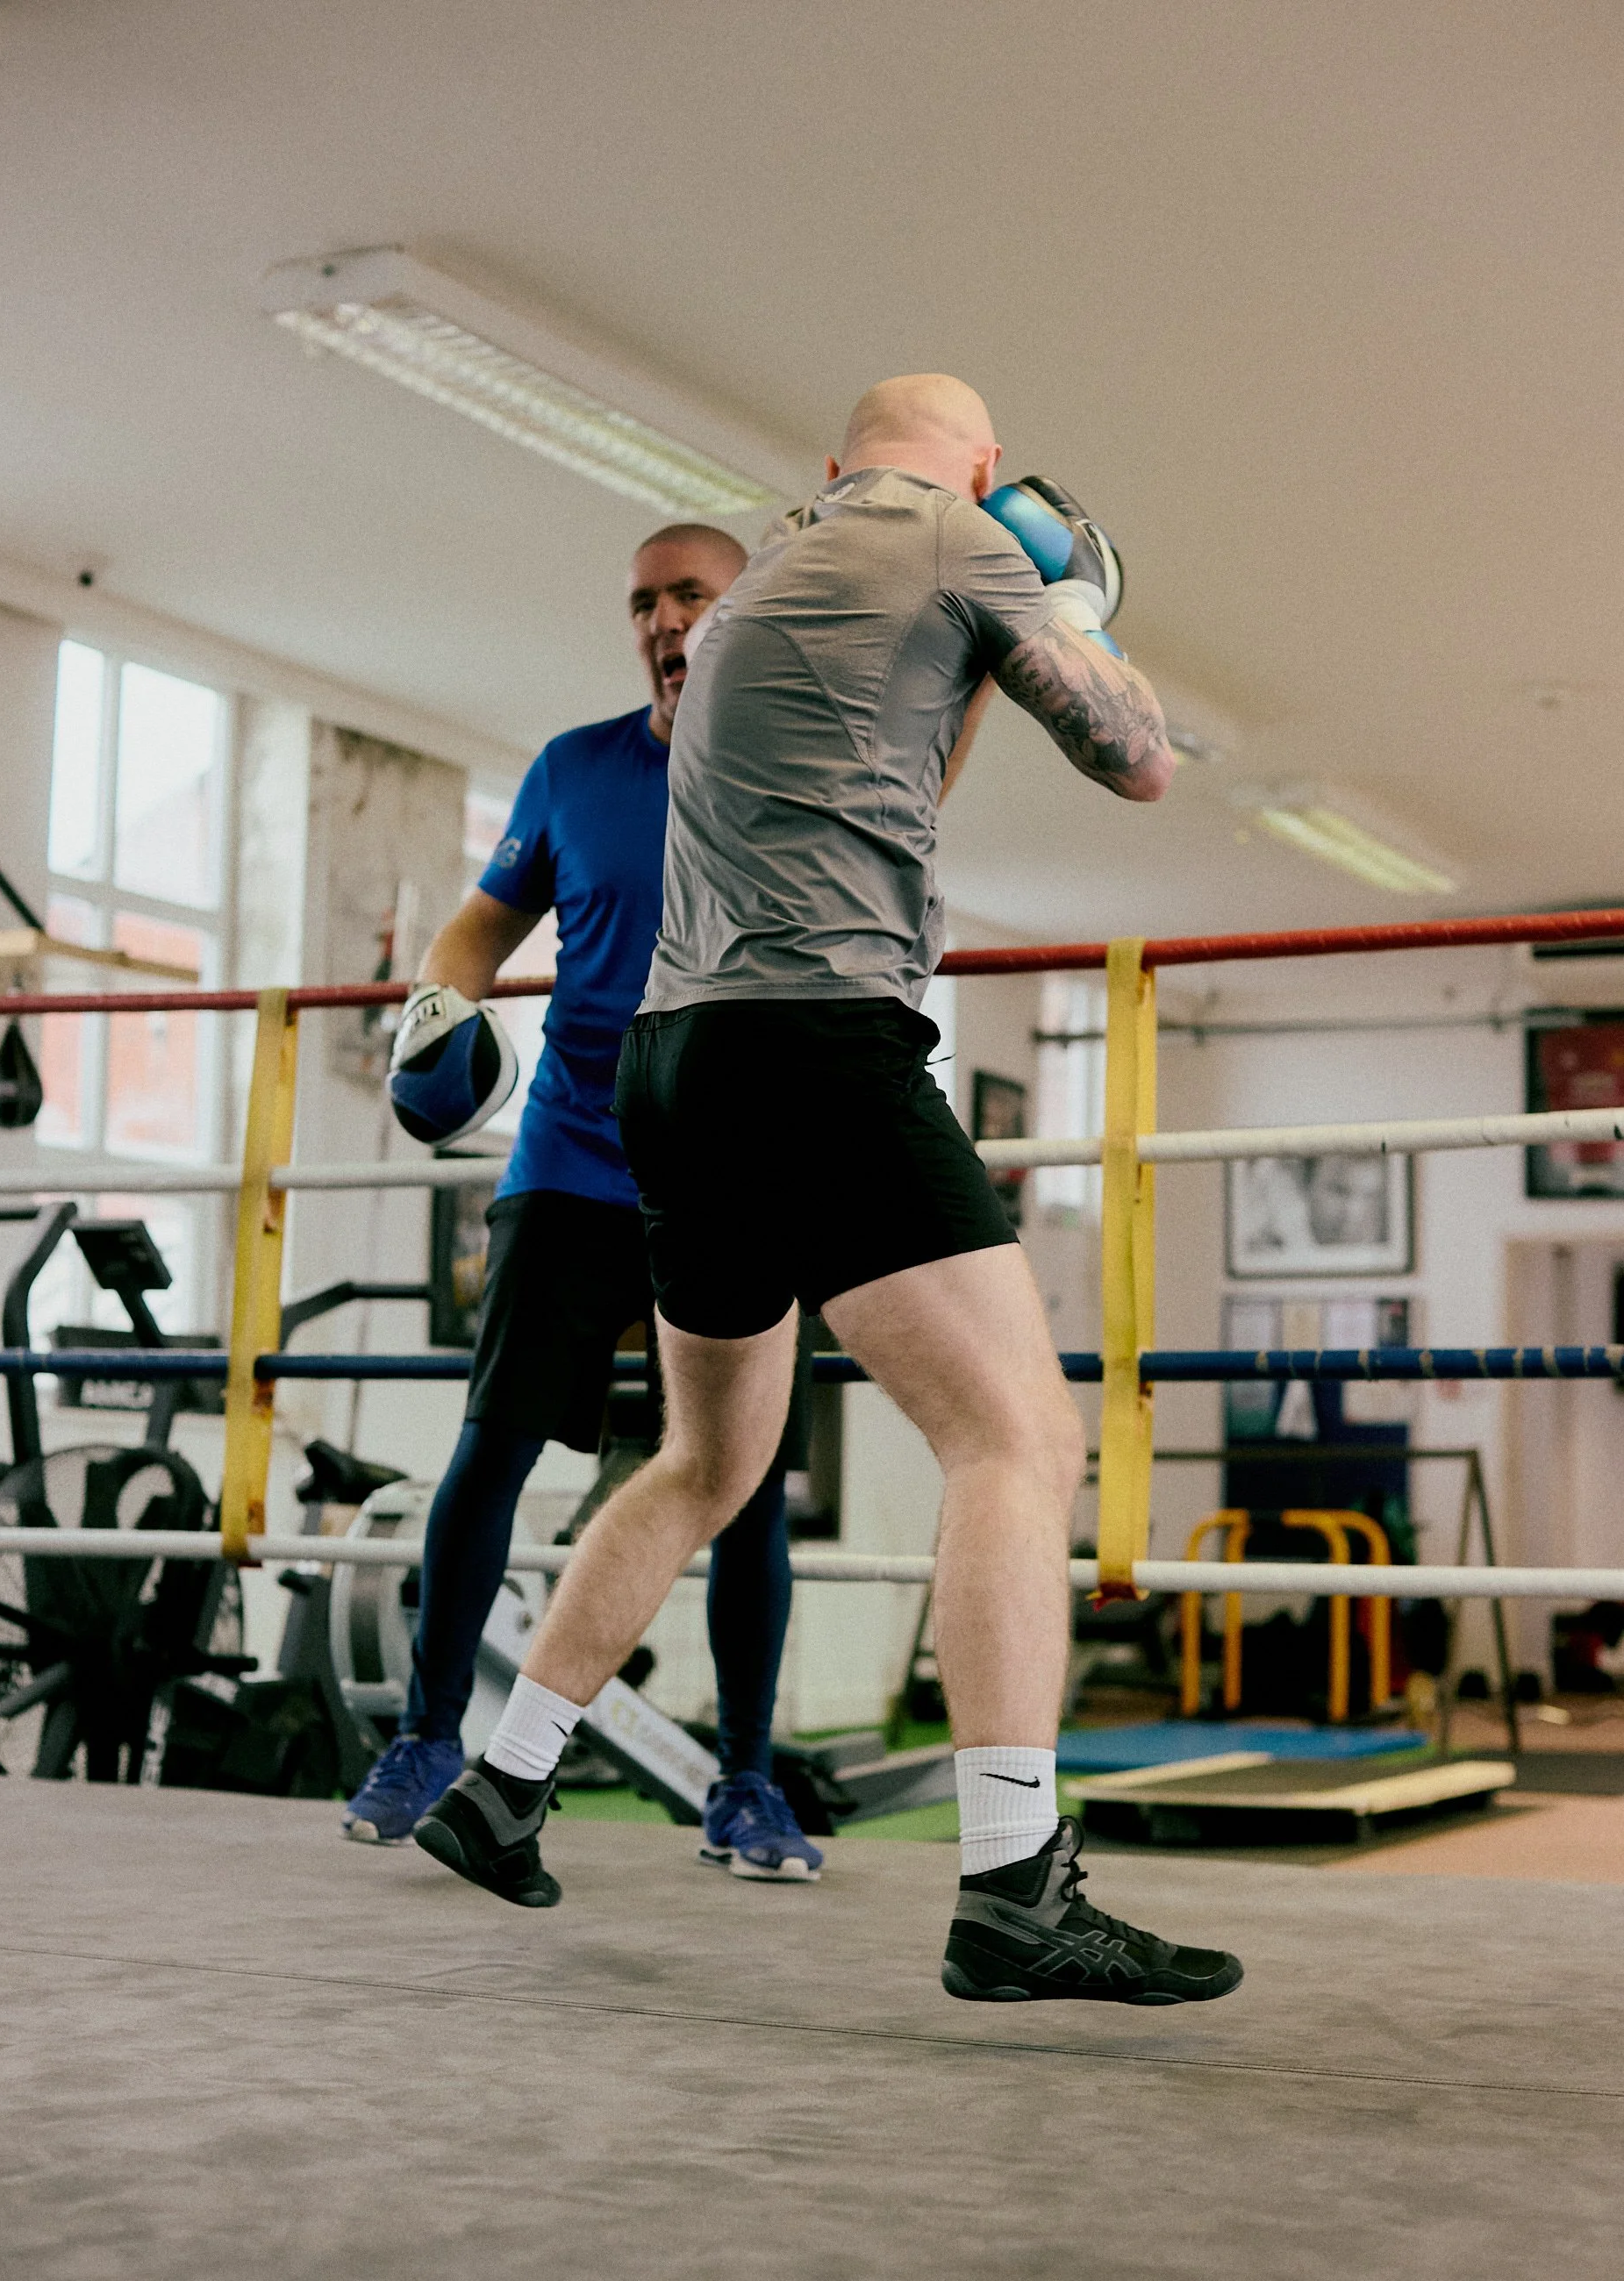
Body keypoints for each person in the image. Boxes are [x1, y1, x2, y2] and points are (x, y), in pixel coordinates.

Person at [416, 375, 1244, 2006]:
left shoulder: (757, 598)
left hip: (674, 1065)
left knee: (707, 1460)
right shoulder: (957, 538)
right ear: (981, 469)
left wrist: (989, 652)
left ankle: (502, 1785)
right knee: (1018, 1439)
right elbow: (1139, 760)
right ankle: (1014, 1885)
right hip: (820, 1048)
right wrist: (1069, 608)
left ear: (831, 467)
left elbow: (889, 785)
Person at [341, 522, 826, 1882]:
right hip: (570, 1157)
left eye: (691, 595)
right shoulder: (573, 768)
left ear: (743, 613)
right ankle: (427, 1740)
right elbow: (479, 928)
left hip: (735, 1171)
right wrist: (435, 1013)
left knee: (745, 1489)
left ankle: (745, 1784)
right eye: (644, 602)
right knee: (492, 1446)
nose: (664, 620)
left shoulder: (798, 763)